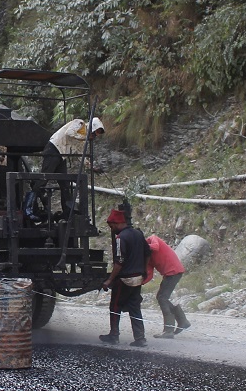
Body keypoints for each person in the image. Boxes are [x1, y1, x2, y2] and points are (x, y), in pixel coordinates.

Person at [99, 208, 148, 347]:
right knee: (134, 307)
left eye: (111, 225)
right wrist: (144, 270)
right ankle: (140, 338)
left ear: (117, 222)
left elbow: (119, 262)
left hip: (124, 279)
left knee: (115, 305)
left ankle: (114, 335)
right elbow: (148, 252)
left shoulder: (120, 238)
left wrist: (109, 280)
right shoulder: (139, 234)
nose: (111, 228)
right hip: (138, 277)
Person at [40, 116, 105, 214]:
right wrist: (84, 137)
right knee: (43, 179)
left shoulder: (82, 141)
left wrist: (91, 167)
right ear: (93, 128)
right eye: (96, 132)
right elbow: (69, 132)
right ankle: (30, 204)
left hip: (62, 155)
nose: (95, 135)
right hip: (53, 149)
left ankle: (67, 212)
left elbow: (80, 154)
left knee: (65, 184)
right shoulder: (80, 123)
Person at [144, 233, 190, 338]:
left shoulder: (152, 239)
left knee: (162, 298)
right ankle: (183, 321)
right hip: (170, 273)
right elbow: (148, 273)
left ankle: (169, 330)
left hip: (174, 272)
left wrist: (142, 246)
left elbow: (155, 247)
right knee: (161, 297)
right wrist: (138, 283)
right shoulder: (147, 254)